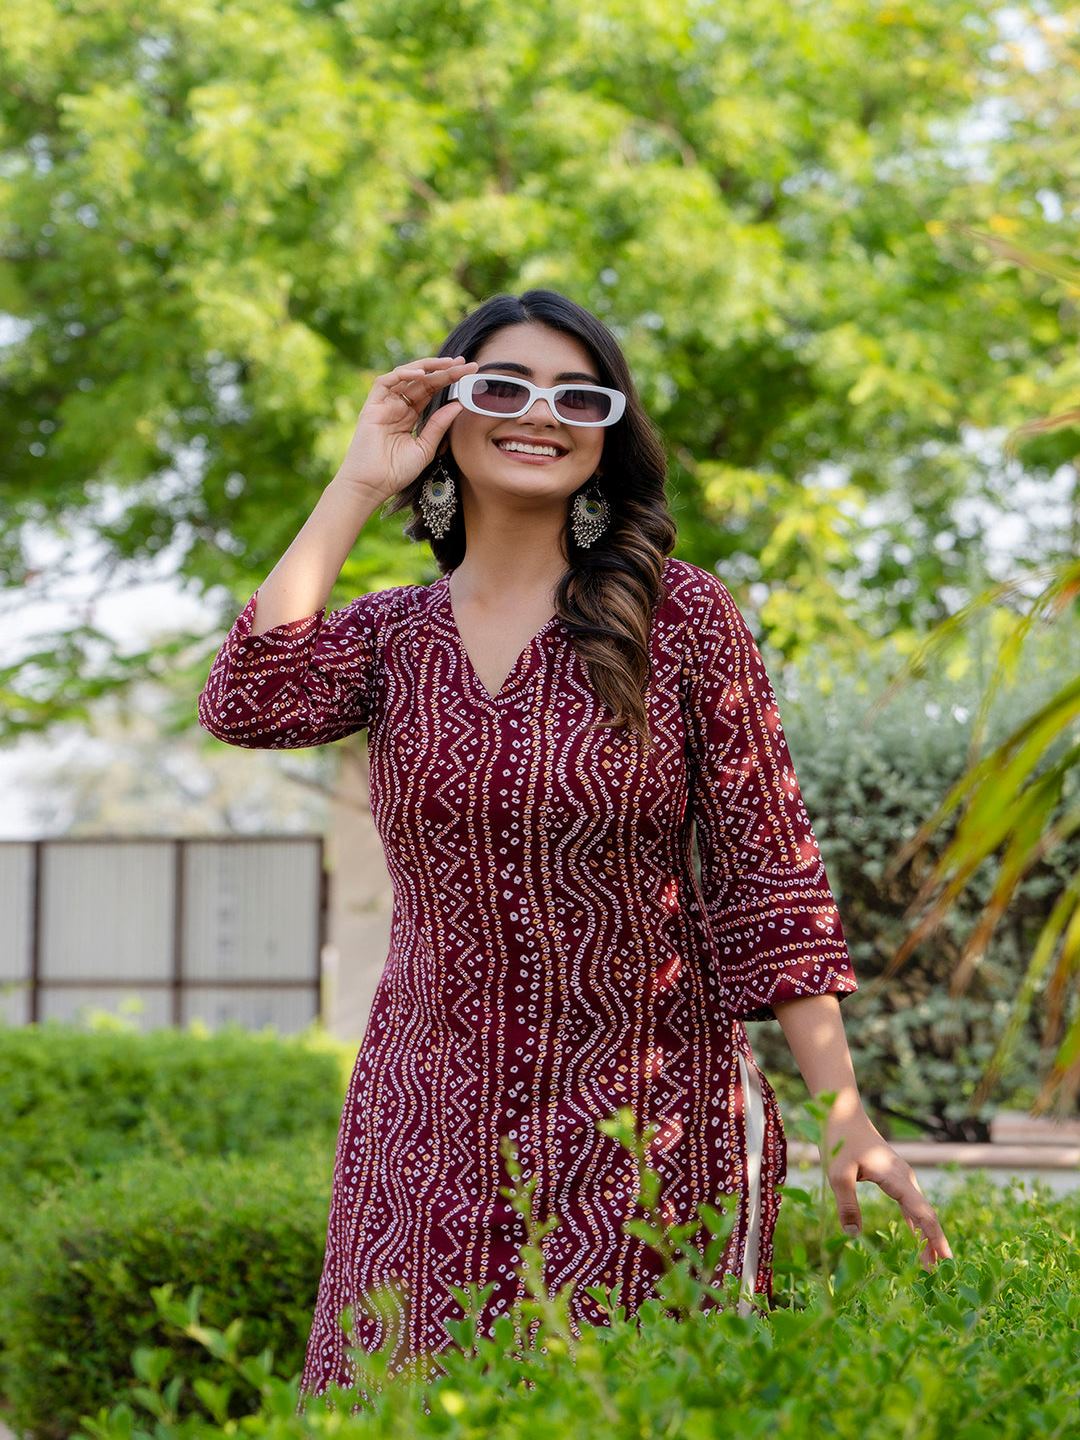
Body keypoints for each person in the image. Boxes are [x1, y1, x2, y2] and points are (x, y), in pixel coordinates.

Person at [197, 288, 953, 1413]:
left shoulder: (682, 619)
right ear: (446, 414)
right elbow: (248, 699)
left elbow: (767, 866)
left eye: (577, 395)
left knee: (626, 1412)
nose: (538, 414)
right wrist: (359, 479)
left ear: (608, 433)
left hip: (652, 1116)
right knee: (398, 1412)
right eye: (500, 387)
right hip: (426, 1121)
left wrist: (846, 1107)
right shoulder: (390, 639)